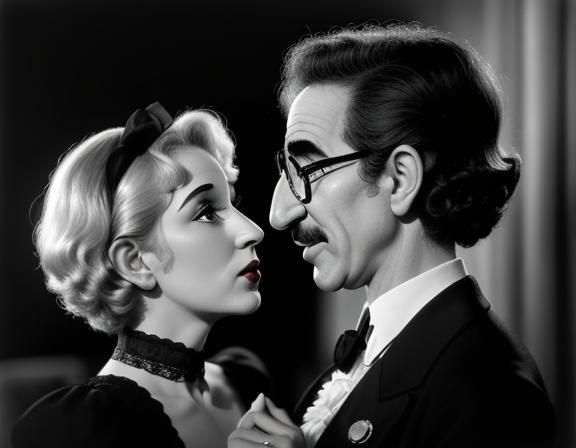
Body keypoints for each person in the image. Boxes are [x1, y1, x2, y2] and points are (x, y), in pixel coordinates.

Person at [228, 24, 556, 448]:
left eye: (306, 170)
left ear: (400, 178)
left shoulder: (490, 390)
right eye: (285, 172)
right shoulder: (368, 358)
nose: (279, 214)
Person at [13, 102, 270, 448]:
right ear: (135, 262)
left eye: (232, 204)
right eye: (207, 212)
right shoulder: (81, 430)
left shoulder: (247, 384)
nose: (252, 231)